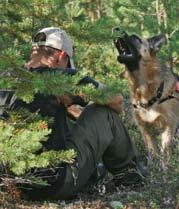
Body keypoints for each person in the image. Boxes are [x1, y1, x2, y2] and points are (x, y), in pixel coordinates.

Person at [0, 27, 146, 200]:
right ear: (61, 56)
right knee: (102, 113)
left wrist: (70, 108)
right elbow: (117, 101)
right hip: (54, 183)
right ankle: (130, 178)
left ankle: (94, 171)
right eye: (67, 62)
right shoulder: (60, 77)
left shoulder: (6, 77)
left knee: (67, 118)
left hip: (12, 183)